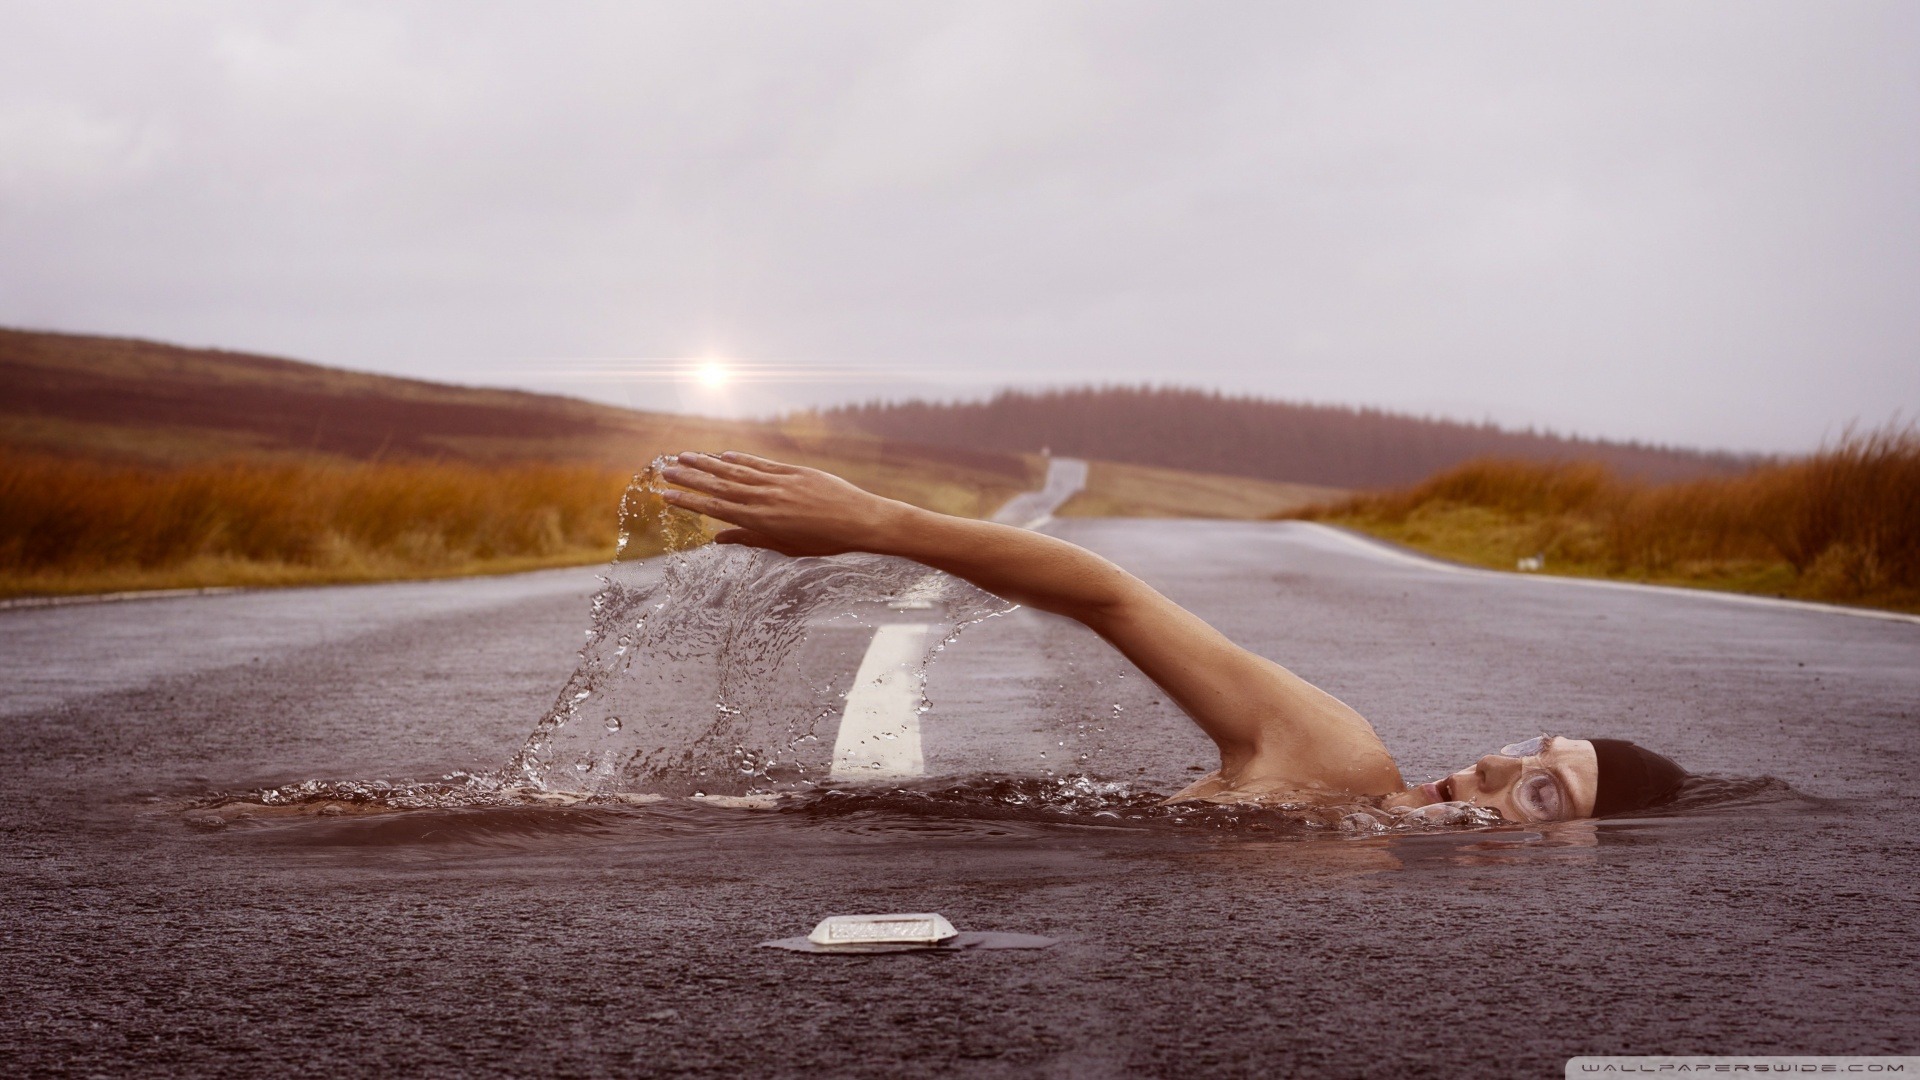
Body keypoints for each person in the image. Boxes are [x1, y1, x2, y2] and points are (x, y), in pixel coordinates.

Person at [660, 450, 1688, 822]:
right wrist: (878, 525)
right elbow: (1116, 598)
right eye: (1530, 751)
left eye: (1544, 793)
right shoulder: (1340, 766)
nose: (1496, 768)